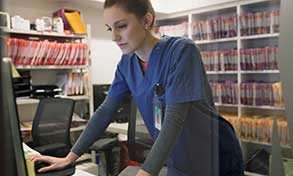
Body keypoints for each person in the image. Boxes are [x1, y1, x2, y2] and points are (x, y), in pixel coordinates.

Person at [32, 0, 244, 175]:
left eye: (121, 26)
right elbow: (105, 111)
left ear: (146, 20)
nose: (114, 37)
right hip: (177, 159)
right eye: (110, 28)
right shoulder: (127, 64)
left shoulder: (181, 52)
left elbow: (174, 119)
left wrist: (146, 172)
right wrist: (70, 157)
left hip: (213, 155)